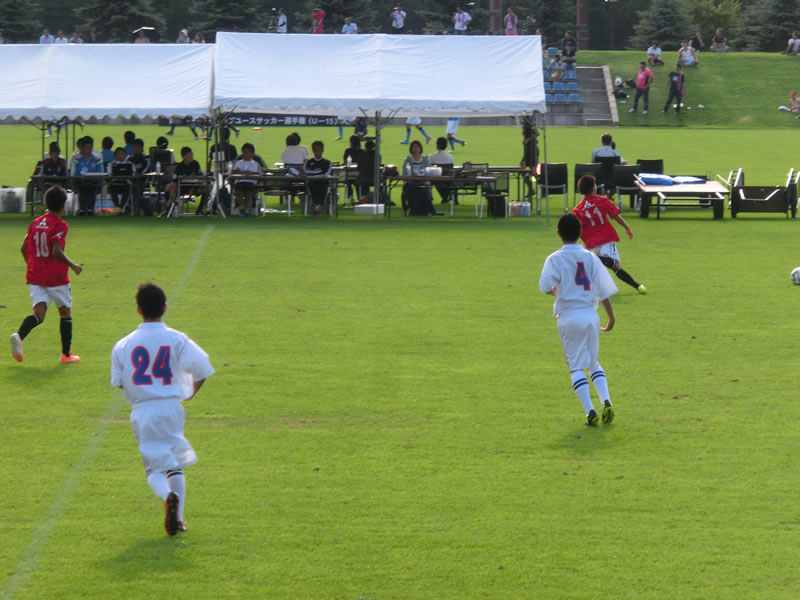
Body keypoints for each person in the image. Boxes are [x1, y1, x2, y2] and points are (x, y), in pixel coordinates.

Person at [110, 282, 214, 536]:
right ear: (165, 308)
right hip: (172, 408)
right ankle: (178, 519)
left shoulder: (123, 344)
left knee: (153, 470)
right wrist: (190, 392)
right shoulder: (176, 339)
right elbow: (202, 365)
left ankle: (168, 497)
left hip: (143, 410)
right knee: (174, 463)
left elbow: (119, 381)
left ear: (138, 309)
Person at [538, 213, 617, 426]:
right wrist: (610, 317)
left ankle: (590, 411)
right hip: (591, 315)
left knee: (575, 367)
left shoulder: (554, 258)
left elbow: (546, 286)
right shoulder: (590, 257)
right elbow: (604, 290)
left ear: (558, 234)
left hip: (569, 316)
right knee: (592, 362)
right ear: (581, 233)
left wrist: (558, 291)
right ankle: (606, 401)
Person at [10, 186, 82, 365]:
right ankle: (66, 355)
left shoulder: (34, 223)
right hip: (56, 277)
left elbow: (23, 248)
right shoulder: (60, 225)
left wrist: (32, 266)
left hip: (35, 276)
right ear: (63, 206)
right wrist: (73, 265)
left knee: (39, 314)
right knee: (65, 312)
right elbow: (56, 251)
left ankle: (19, 337)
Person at [573, 174, 646, 295]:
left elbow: (577, 227)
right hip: (606, 238)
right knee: (614, 264)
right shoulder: (603, 200)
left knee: (612, 267)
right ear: (593, 188)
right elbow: (615, 216)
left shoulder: (577, 209)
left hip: (591, 242)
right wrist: (626, 227)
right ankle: (636, 286)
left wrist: (574, 242)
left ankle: (637, 286)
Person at [165, 146, 209, 216]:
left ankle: (199, 210)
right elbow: (175, 179)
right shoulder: (180, 166)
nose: (192, 157)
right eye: (190, 155)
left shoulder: (195, 164)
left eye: (192, 155)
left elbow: (200, 176)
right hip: (182, 188)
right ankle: (168, 210)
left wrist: (193, 188)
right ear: (184, 157)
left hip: (194, 187)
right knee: (168, 187)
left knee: (206, 188)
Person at [401, 140, 438, 216]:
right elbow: (404, 174)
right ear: (411, 149)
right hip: (411, 184)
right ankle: (414, 210)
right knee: (411, 193)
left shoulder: (425, 159)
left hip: (423, 183)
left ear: (420, 148)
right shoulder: (407, 160)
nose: (416, 149)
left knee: (424, 192)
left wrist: (422, 180)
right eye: (414, 147)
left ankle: (424, 211)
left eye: (417, 147)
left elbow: (428, 172)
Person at [70, 136, 104, 216]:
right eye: (86, 148)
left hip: (94, 182)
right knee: (82, 187)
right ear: (83, 148)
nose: (88, 150)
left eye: (90, 148)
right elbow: (74, 173)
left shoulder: (97, 160)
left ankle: (90, 209)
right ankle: (82, 209)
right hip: (81, 181)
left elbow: (100, 172)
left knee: (91, 187)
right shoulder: (77, 160)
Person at [303, 140, 332, 216]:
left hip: (323, 183)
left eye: (319, 150)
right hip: (312, 183)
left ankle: (319, 206)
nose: (317, 152)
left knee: (323, 189)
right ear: (313, 150)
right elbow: (306, 171)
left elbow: (326, 174)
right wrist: (319, 172)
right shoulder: (308, 162)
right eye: (315, 150)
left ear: (322, 150)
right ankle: (316, 206)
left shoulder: (327, 162)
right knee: (313, 190)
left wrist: (313, 173)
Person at [232, 143, 261, 216]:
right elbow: (235, 172)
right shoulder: (238, 162)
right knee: (238, 192)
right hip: (240, 181)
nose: (245, 154)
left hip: (251, 182)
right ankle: (242, 207)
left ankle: (248, 209)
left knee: (249, 193)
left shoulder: (255, 163)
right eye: (244, 152)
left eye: (247, 152)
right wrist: (246, 173)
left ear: (252, 154)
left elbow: (254, 173)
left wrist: (242, 172)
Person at [428, 137, 455, 203]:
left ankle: (441, 197)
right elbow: (451, 168)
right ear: (446, 146)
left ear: (437, 145)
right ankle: (445, 197)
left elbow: (429, 168)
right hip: (446, 179)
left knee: (435, 180)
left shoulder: (431, 156)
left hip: (434, 179)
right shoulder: (450, 157)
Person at [108, 147, 133, 211]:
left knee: (128, 188)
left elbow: (133, 174)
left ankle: (121, 207)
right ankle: (117, 207)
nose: (120, 156)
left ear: (125, 155)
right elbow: (109, 175)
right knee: (112, 188)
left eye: (122, 154)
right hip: (115, 183)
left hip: (126, 183)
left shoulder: (130, 164)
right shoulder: (111, 164)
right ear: (115, 156)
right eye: (118, 154)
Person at [520, 118, 539, 199]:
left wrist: (528, 139)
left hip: (532, 151)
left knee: (532, 172)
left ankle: (544, 187)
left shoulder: (528, 123)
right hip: (528, 151)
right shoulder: (525, 123)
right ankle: (531, 188)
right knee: (523, 169)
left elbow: (537, 133)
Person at [343, 135, 364, 202]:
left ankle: (351, 196)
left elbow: (345, 163)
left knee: (346, 181)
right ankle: (360, 198)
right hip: (360, 175)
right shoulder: (362, 151)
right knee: (358, 183)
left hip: (349, 174)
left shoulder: (347, 151)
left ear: (351, 143)